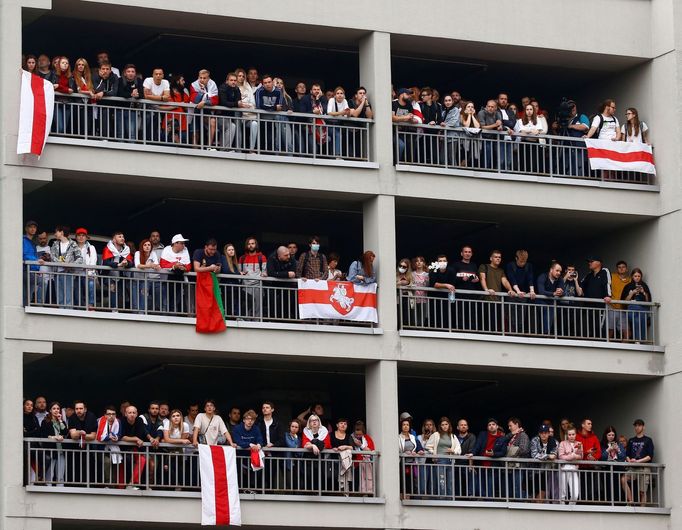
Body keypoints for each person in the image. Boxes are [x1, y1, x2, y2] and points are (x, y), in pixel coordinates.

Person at [479, 250, 516, 332]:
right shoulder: (484, 266)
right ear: (490, 258)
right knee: (487, 324)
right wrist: (486, 289)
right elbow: (482, 278)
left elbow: (505, 281)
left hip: (497, 301)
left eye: (499, 257)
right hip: (486, 300)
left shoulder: (501, 270)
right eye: (495, 257)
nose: (498, 259)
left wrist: (510, 290)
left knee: (496, 324)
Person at [425, 417, 461, 499]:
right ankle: (442, 499)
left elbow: (459, 449)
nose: (444, 426)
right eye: (442, 425)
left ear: (449, 425)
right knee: (442, 482)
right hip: (440, 461)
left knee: (450, 482)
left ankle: (450, 500)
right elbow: (427, 446)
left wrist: (453, 451)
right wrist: (434, 453)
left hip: (450, 460)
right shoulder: (436, 435)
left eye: (446, 424)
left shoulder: (453, 436)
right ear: (440, 426)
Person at [622, 419, 655, 506]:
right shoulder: (631, 440)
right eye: (635, 425)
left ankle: (642, 510)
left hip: (644, 468)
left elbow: (649, 456)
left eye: (639, 425)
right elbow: (627, 454)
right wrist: (630, 461)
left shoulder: (648, 440)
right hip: (632, 468)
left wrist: (638, 461)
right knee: (623, 479)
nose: (637, 427)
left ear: (643, 427)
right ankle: (630, 501)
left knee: (642, 492)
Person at [50, 225, 83, 309]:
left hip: (68, 273)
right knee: (59, 297)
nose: (55, 234)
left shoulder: (73, 244)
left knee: (68, 297)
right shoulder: (55, 244)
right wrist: (60, 263)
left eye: (56, 232)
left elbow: (80, 258)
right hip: (57, 273)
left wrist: (70, 265)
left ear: (61, 232)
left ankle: (68, 316)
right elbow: (52, 257)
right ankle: (61, 316)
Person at [505, 250, 536, 334]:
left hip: (523, 295)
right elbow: (512, 279)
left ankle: (519, 334)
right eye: (521, 261)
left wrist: (532, 291)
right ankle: (511, 334)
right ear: (516, 258)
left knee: (521, 318)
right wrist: (518, 291)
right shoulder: (510, 265)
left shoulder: (528, 266)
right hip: (513, 295)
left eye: (524, 262)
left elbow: (530, 278)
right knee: (512, 318)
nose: (523, 263)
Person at [580, 257, 612, 339]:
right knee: (587, 328)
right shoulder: (589, 275)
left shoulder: (604, 271)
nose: (589, 263)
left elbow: (607, 284)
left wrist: (608, 296)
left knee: (599, 328)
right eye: (589, 261)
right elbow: (580, 287)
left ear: (599, 263)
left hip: (599, 307)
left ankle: (601, 345)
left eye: (591, 261)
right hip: (587, 306)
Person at [232, 409, 265, 489]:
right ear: (244, 420)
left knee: (256, 472)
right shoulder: (237, 428)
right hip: (239, 457)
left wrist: (258, 445)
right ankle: (240, 489)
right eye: (248, 419)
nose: (250, 421)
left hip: (252, 457)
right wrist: (250, 444)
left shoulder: (256, 429)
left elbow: (260, 439)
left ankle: (254, 489)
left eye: (252, 419)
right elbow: (238, 441)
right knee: (239, 475)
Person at [159, 234, 192, 314]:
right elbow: (163, 264)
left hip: (179, 280)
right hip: (167, 280)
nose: (184, 245)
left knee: (175, 303)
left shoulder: (185, 250)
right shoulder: (167, 249)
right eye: (182, 243)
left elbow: (189, 266)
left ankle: (173, 318)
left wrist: (183, 267)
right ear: (175, 243)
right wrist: (174, 265)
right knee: (165, 302)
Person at [38, 402, 69, 485]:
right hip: (50, 451)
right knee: (49, 475)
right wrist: (53, 437)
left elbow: (65, 432)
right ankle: (48, 489)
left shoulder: (62, 421)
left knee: (60, 474)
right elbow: (43, 435)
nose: (56, 410)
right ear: (50, 410)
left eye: (58, 409)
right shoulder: (45, 421)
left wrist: (60, 420)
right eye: (54, 409)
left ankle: (60, 489)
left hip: (60, 451)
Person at [67, 400, 98, 484]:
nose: (79, 410)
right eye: (76, 409)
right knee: (74, 470)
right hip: (74, 451)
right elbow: (73, 436)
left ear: (85, 409)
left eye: (81, 408)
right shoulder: (72, 417)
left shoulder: (91, 417)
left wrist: (81, 435)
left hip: (89, 450)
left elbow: (92, 436)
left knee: (89, 469)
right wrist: (81, 433)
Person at [101, 231, 132, 311]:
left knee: (121, 293)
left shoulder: (126, 249)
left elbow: (131, 263)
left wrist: (126, 264)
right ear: (114, 240)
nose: (122, 238)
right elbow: (106, 262)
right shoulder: (108, 248)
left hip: (120, 277)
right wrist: (118, 265)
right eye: (119, 237)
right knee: (113, 287)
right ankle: (114, 310)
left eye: (123, 237)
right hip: (107, 275)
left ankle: (120, 310)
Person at [161, 409, 192, 487]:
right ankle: (170, 487)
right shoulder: (167, 423)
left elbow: (181, 441)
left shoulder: (185, 425)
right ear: (170, 418)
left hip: (179, 451)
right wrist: (181, 440)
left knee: (179, 470)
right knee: (168, 471)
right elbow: (167, 439)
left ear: (181, 417)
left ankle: (178, 486)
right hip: (167, 451)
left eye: (178, 416)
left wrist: (172, 441)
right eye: (173, 416)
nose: (176, 418)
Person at [238, 236, 267, 319]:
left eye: (252, 243)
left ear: (256, 245)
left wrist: (264, 274)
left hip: (258, 285)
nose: (250, 245)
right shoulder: (242, 258)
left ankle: (257, 323)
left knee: (257, 307)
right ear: (246, 245)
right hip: (245, 286)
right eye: (249, 244)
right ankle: (246, 322)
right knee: (246, 307)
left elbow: (264, 272)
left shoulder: (262, 257)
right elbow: (239, 272)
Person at [119, 405, 147, 488]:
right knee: (123, 463)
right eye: (129, 412)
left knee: (142, 460)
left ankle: (132, 483)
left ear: (137, 414)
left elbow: (141, 436)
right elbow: (122, 437)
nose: (132, 414)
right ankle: (120, 487)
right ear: (125, 414)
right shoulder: (121, 421)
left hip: (135, 449)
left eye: (134, 413)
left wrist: (136, 439)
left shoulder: (139, 420)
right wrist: (135, 438)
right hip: (122, 450)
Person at [621, 268, 652, 342]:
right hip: (631, 308)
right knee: (637, 319)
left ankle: (638, 340)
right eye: (635, 276)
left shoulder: (644, 285)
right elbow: (623, 302)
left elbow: (648, 301)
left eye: (639, 276)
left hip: (642, 309)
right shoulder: (628, 286)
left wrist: (643, 292)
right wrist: (632, 293)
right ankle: (640, 340)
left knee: (638, 320)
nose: (637, 278)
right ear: (632, 276)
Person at [189, 69, 219, 147]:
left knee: (212, 121)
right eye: (200, 78)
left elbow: (215, 100)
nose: (202, 80)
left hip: (206, 111)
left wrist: (204, 102)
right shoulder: (194, 85)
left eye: (204, 78)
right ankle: (194, 149)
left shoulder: (212, 84)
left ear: (208, 78)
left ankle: (209, 147)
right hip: (195, 111)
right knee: (195, 133)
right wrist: (203, 92)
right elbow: (194, 99)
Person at [502, 417, 530, 499]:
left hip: (519, 467)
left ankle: (520, 504)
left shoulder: (523, 435)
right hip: (512, 466)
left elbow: (524, 449)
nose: (509, 428)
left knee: (518, 488)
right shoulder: (512, 436)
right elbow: (502, 441)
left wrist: (509, 451)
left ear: (517, 424)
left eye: (510, 426)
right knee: (512, 489)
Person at [302, 414, 332, 491]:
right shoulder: (306, 431)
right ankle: (309, 492)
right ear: (309, 422)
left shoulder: (324, 430)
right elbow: (304, 444)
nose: (314, 422)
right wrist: (313, 446)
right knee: (309, 476)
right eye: (312, 420)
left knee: (321, 477)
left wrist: (311, 444)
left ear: (319, 422)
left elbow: (326, 444)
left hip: (321, 458)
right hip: (309, 459)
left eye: (316, 420)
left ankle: (321, 492)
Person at [514, 103, 546, 173]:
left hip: (534, 143)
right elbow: (522, 132)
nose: (529, 111)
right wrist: (531, 131)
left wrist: (527, 131)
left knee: (534, 164)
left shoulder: (538, 119)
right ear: (525, 111)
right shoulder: (520, 121)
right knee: (524, 163)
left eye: (531, 109)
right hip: (524, 143)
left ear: (533, 111)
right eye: (527, 109)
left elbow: (537, 131)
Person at [47, 56, 76, 133]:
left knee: (63, 129)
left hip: (67, 104)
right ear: (59, 64)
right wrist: (65, 89)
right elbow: (51, 86)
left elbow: (71, 90)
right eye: (63, 63)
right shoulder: (53, 74)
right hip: (56, 103)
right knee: (60, 127)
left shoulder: (71, 76)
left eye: (67, 63)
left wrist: (59, 86)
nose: (65, 65)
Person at [530, 424, 558, 502]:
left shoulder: (554, 442)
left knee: (543, 494)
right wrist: (548, 456)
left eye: (545, 432)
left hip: (548, 471)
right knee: (534, 494)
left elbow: (554, 455)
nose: (543, 434)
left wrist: (544, 456)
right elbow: (534, 455)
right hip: (535, 471)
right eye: (541, 433)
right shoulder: (535, 440)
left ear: (549, 433)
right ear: (539, 434)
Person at [576, 417, 602, 502]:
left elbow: (599, 452)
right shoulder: (576, 436)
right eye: (588, 424)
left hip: (590, 467)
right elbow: (574, 451)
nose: (591, 425)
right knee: (579, 487)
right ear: (583, 425)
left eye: (591, 424)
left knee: (590, 488)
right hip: (578, 467)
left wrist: (594, 458)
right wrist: (587, 453)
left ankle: (588, 504)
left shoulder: (594, 437)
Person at [535, 261, 565, 335]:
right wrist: (553, 293)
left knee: (553, 309)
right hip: (539, 301)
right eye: (557, 270)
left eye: (560, 271)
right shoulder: (543, 276)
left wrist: (561, 292)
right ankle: (545, 333)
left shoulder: (560, 279)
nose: (559, 273)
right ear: (551, 270)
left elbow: (563, 291)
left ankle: (547, 333)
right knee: (547, 308)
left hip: (551, 303)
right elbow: (541, 291)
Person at [428, 254, 457, 329]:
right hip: (434, 298)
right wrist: (446, 285)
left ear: (447, 262)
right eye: (440, 261)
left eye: (444, 261)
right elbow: (434, 284)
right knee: (434, 316)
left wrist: (448, 285)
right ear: (437, 262)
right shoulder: (433, 270)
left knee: (446, 316)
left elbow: (453, 284)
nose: (442, 262)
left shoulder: (451, 270)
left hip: (447, 299)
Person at [116, 63, 144, 141]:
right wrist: (131, 94)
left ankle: (133, 148)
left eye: (132, 71)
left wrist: (137, 95)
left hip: (132, 110)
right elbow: (120, 93)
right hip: (120, 110)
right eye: (128, 71)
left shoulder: (138, 81)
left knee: (132, 132)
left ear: (135, 73)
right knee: (120, 133)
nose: (130, 73)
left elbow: (142, 94)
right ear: (125, 73)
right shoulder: (120, 80)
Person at [143, 68, 171, 142]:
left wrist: (152, 96)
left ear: (163, 75)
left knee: (156, 127)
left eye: (160, 74)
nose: (158, 76)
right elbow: (146, 96)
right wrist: (162, 98)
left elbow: (167, 97)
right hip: (147, 108)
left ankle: (153, 142)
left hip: (158, 109)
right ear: (153, 75)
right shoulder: (148, 80)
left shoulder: (165, 82)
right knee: (146, 126)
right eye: (156, 74)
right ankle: (145, 142)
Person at [91, 62, 119, 137]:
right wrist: (103, 79)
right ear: (99, 70)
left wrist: (103, 93)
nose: (105, 71)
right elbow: (96, 90)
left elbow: (114, 92)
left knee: (108, 123)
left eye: (107, 69)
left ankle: (106, 138)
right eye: (103, 69)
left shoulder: (114, 77)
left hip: (110, 104)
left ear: (110, 70)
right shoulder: (95, 76)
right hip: (97, 104)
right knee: (97, 122)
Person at [134, 238, 161, 313]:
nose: (147, 246)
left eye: (149, 245)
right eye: (145, 245)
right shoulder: (137, 253)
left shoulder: (153, 253)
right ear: (142, 247)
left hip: (145, 280)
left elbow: (156, 265)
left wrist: (156, 266)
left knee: (143, 299)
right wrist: (150, 266)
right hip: (135, 280)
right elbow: (137, 265)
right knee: (135, 302)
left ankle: (142, 315)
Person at [398, 417, 423, 498]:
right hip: (402, 463)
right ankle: (403, 497)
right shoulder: (398, 437)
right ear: (401, 426)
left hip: (412, 462)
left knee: (412, 482)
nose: (406, 426)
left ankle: (410, 497)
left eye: (407, 425)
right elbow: (396, 450)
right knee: (403, 481)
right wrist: (404, 453)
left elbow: (417, 446)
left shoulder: (412, 437)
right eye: (404, 425)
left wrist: (416, 451)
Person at [600, 425, 626, 503]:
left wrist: (618, 450)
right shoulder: (602, 445)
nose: (611, 437)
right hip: (606, 469)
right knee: (607, 488)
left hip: (617, 469)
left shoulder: (619, 444)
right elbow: (601, 458)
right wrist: (608, 450)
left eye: (613, 435)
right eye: (609, 435)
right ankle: (608, 504)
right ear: (606, 435)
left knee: (617, 488)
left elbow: (623, 458)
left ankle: (618, 505)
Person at [218, 72, 244, 149]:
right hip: (219, 116)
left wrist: (237, 103)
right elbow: (224, 102)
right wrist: (236, 104)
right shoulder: (223, 88)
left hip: (230, 117)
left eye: (235, 80)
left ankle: (225, 149)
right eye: (231, 80)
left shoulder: (236, 89)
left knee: (232, 126)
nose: (233, 82)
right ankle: (225, 149)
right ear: (227, 81)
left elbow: (239, 101)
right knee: (231, 126)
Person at [73, 228, 97, 310]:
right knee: (77, 296)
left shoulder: (91, 248)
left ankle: (91, 306)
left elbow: (93, 261)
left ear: (86, 237)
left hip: (88, 274)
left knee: (90, 289)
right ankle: (79, 310)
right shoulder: (73, 247)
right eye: (79, 235)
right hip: (76, 275)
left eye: (83, 235)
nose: (81, 237)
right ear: (76, 237)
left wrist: (88, 270)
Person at [392, 88, 419, 161]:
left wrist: (413, 120)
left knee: (411, 145)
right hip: (394, 132)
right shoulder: (394, 103)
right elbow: (392, 118)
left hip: (404, 133)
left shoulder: (409, 105)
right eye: (407, 94)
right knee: (401, 145)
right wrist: (406, 117)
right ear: (401, 94)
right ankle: (396, 163)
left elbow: (410, 118)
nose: (409, 96)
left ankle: (407, 163)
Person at [558, 423, 582, 504]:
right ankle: (562, 508)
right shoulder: (562, 443)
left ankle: (571, 507)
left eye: (573, 434)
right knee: (562, 492)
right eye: (569, 434)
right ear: (567, 435)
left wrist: (577, 451)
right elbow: (561, 456)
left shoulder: (579, 443)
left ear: (576, 435)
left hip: (574, 468)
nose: (571, 436)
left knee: (575, 493)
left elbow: (581, 456)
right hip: (565, 468)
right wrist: (572, 456)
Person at [477, 100, 504, 169]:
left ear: (495, 108)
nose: (490, 108)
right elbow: (482, 127)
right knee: (487, 154)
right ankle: (485, 169)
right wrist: (495, 125)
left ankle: (499, 170)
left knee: (500, 154)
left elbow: (500, 124)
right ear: (486, 107)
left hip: (496, 138)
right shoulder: (481, 113)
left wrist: (500, 127)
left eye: (492, 107)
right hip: (485, 137)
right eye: (488, 106)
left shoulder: (498, 113)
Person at [72, 58, 95, 136]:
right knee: (80, 127)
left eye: (83, 65)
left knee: (88, 126)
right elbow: (77, 90)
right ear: (76, 66)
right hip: (78, 105)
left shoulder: (88, 77)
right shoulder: (73, 76)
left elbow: (92, 89)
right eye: (79, 64)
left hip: (88, 105)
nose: (81, 66)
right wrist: (89, 92)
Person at [330, 418, 355, 493]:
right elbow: (327, 445)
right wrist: (332, 448)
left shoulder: (348, 436)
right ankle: (333, 493)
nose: (343, 425)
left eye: (345, 424)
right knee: (332, 477)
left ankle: (344, 492)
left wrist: (345, 447)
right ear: (337, 425)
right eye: (341, 423)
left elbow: (352, 447)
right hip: (333, 461)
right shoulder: (331, 434)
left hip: (344, 461)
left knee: (344, 477)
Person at [325, 86, 351, 157]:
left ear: (344, 95)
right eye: (338, 93)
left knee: (336, 138)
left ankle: (332, 156)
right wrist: (341, 113)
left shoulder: (345, 101)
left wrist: (348, 112)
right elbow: (329, 112)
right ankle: (337, 155)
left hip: (338, 124)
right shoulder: (331, 100)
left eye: (341, 93)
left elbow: (346, 115)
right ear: (335, 95)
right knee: (337, 135)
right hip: (329, 124)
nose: (340, 95)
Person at [351, 420, 375, 495]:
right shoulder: (351, 437)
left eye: (360, 435)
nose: (358, 436)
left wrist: (361, 445)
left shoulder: (367, 438)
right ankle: (357, 494)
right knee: (356, 480)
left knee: (367, 479)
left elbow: (371, 450)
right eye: (357, 435)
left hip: (366, 463)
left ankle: (367, 493)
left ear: (363, 433)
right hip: (355, 464)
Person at [348, 86, 373, 159]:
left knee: (357, 151)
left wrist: (367, 104)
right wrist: (362, 103)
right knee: (349, 151)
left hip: (358, 131)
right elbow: (355, 114)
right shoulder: (351, 102)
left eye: (364, 93)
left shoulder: (366, 104)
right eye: (360, 93)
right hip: (348, 130)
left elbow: (370, 117)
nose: (362, 95)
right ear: (356, 95)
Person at [454, 418, 477, 497]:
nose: (463, 426)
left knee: (471, 474)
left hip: (466, 462)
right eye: (461, 425)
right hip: (455, 462)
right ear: (457, 427)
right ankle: (456, 496)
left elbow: (471, 451)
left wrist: (471, 465)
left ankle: (471, 495)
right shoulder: (454, 437)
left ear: (467, 427)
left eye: (465, 425)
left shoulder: (471, 436)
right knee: (455, 479)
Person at [610, 260, 631, 341]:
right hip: (612, 307)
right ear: (617, 269)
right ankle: (607, 349)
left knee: (627, 333)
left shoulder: (630, 280)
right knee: (610, 331)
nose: (621, 269)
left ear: (626, 269)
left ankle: (625, 349)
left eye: (623, 267)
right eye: (619, 267)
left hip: (623, 309)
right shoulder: (612, 276)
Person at [22, 220, 41, 305]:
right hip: (26, 270)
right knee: (27, 295)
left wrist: (37, 269)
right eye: (31, 227)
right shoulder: (23, 240)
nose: (33, 229)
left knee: (28, 295)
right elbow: (25, 254)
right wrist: (37, 261)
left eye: (34, 227)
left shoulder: (33, 242)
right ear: (26, 229)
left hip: (32, 271)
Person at [439, 94, 461, 165]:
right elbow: (439, 121)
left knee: (451, 158)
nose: (448, 102)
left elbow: (454, 122)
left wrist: (445, 124)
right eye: (446, 101)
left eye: (449, 100)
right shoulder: (443, 111)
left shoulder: (456, 110)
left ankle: (455, 173)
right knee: (442, 158)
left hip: (452, 137)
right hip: (443, 137)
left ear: (452, 102)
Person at [416, 418, 435, 496]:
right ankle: (422, 497)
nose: (428, 427)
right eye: (427, 425)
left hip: (434, 462)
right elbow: (420, 449)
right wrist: (425, 439)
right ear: (424, 427)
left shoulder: (436, 437)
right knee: (422, 483)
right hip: (423, 463)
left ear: (433, 427)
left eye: (430, 425)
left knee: (433, 484)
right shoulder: (419, 437)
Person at [459, 101, 482, 167]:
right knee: (464, 157)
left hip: (473, 141)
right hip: (464, 141)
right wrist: (469, 115)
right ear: (465, 108)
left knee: (471, 158)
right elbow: (466, 125)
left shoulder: (475, 116)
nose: (470, 108)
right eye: (468, 107)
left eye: (472, 107)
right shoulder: (462, 115)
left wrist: (472, 115)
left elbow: (477, 126)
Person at [410, 256, 429, 327]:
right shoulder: (412, 274)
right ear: (414, 264)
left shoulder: (427, 275)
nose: (419, 262)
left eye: (421, 261)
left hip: (423, 299)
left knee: (422, 319)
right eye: (417, 261)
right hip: (413, 299)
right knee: (413, 319)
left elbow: (428, 285)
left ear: (424, 263)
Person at [283, 419, 302, 490]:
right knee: (289, 483)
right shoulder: (286, 435)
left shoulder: (299, 438)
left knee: (297, 482)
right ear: (290, 427)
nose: (294, 428)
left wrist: (296, 442)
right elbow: (291, 446)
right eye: (292, 426)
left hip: (297, 463)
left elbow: (300, 452)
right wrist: (296, 442)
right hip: (288, 462)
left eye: (296, 427)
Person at [396, 258, 414, 326]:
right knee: (398, 313)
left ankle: (406, 327)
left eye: (404, 267)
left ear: (407, 268)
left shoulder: (410, 276)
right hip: (397, 297)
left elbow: (413, 285)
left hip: (407, 297)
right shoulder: (395, 275)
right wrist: (399, 283)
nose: (401, 268)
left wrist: (407, 283)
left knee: (407, 314)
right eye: (400, 266)